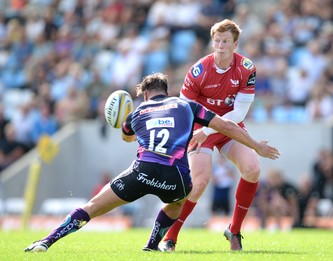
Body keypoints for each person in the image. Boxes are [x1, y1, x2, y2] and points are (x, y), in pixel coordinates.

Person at [24, 72, 280, 253]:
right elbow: (226, 126)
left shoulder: (136, 112)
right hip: (176, 178)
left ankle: (46, 242)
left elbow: (126, 137)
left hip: (141, 172)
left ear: (145, 94)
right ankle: (152, 245)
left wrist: (128, 120)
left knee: (92, 207)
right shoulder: (187, 105)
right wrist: (256, 146)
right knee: (178, 202)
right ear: (166, 92)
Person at [162, 19, 267, 252]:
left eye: (226, 41)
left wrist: (212, 128)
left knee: (253, 168)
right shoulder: (198, 70)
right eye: (217, 41)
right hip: (201, 128)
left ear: (235, 44)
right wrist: (195, 133)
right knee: (199, 182)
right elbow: (184, 108)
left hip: (226, 127)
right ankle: (171, 236)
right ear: (212, 43)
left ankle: (235, 230)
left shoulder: (246, 68)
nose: (220, 45)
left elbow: (240, 111)